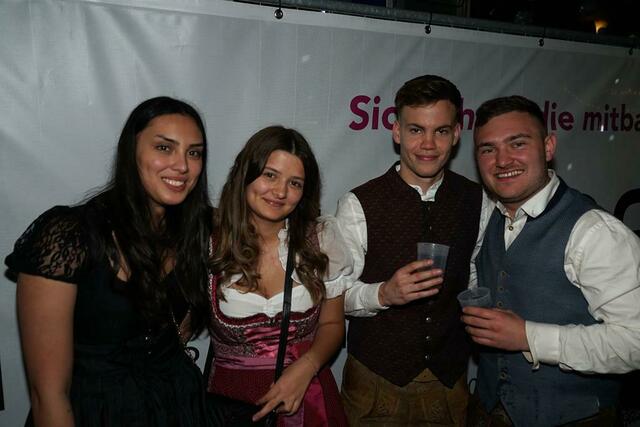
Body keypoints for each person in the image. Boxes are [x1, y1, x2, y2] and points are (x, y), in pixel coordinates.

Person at [6, 96, 214, 426]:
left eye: (194, 153)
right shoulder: (68, 235)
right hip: (96, 414)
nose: (182, 165)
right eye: (164, 148)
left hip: (181, 408)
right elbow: (48, 396)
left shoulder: (196, 233)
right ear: (131, 151)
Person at [463, 95, 640, 426]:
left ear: (548, 147)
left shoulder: (595, 232)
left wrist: (529, 336)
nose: (502, 160)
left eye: (517, 143)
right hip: (488, 409)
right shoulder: (487, 216)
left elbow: (635, 342)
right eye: (488, 149)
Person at [336, 74, 491, 426]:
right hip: (375, 385)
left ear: (456, 134)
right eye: (416, 130)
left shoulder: (477, 200)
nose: (428, 144)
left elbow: (473, 276)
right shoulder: (359, 203)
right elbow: (336, 298)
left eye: (441, 131)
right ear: (397, 132)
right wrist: (384, 294)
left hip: (448, 384)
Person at [206, 126, 351, 426]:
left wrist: (307, 366)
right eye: (270, 175)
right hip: (229, 405)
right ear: (245, 174)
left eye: (294, 183)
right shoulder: (208, 241)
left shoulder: (321, 239)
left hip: (307, 400)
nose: (281, 192)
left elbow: (333, 323)